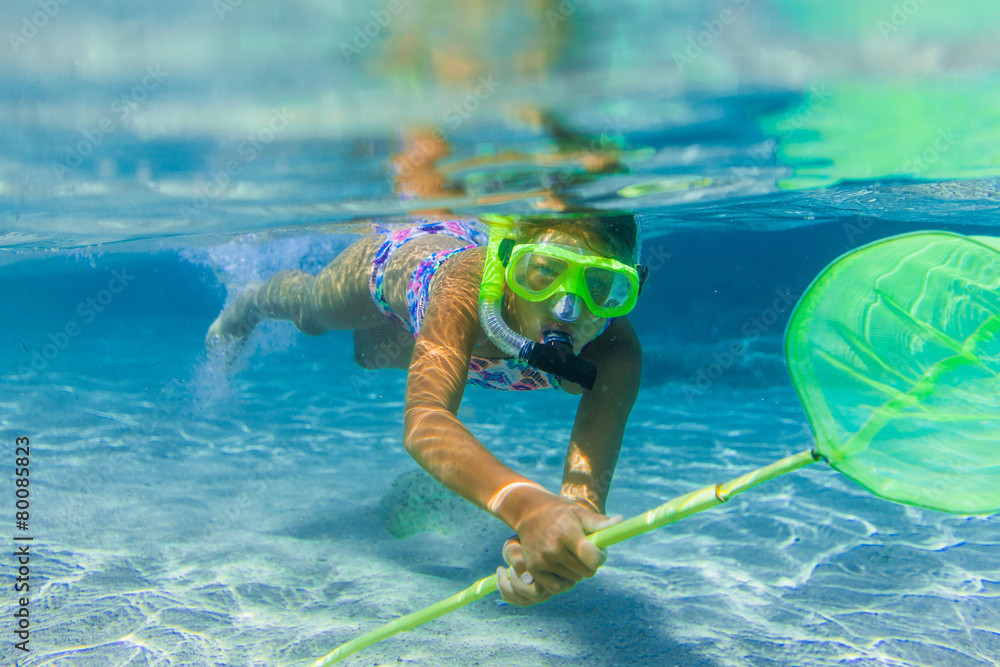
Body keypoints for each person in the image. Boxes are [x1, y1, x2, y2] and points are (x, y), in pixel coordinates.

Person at [206, 212, 646, 606]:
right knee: (311, 313)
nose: (565, 307)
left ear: (630, 287)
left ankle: (387, 336)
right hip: (400, 263)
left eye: (601, 284)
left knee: (371, 352)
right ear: (510, 264)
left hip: (442, 329)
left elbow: (580, 505)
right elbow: (425, 422)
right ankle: (249, 300)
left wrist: (552, 559)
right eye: (544, 272)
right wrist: (528, 509)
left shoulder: (616, 354)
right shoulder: (466, 290)